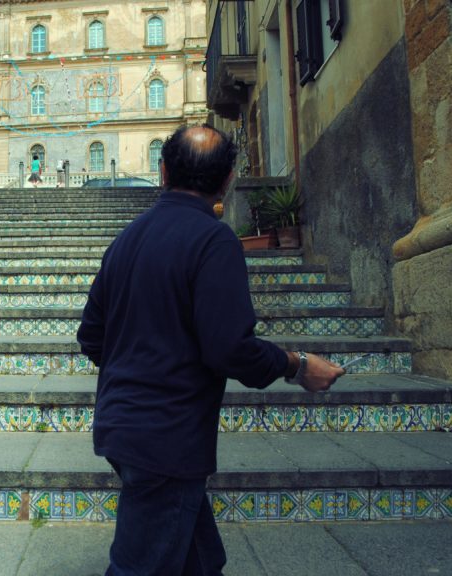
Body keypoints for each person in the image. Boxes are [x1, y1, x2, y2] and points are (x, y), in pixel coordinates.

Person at [77, 124, 345, 575]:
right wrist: (297, 365)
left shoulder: (125, 241)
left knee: (199, 561)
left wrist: (140, 365)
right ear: (227, 179)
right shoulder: (213, 240)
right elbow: (230, 349)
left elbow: (91, 337)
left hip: (122, 426)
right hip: (168, 436)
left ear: (162, 171)